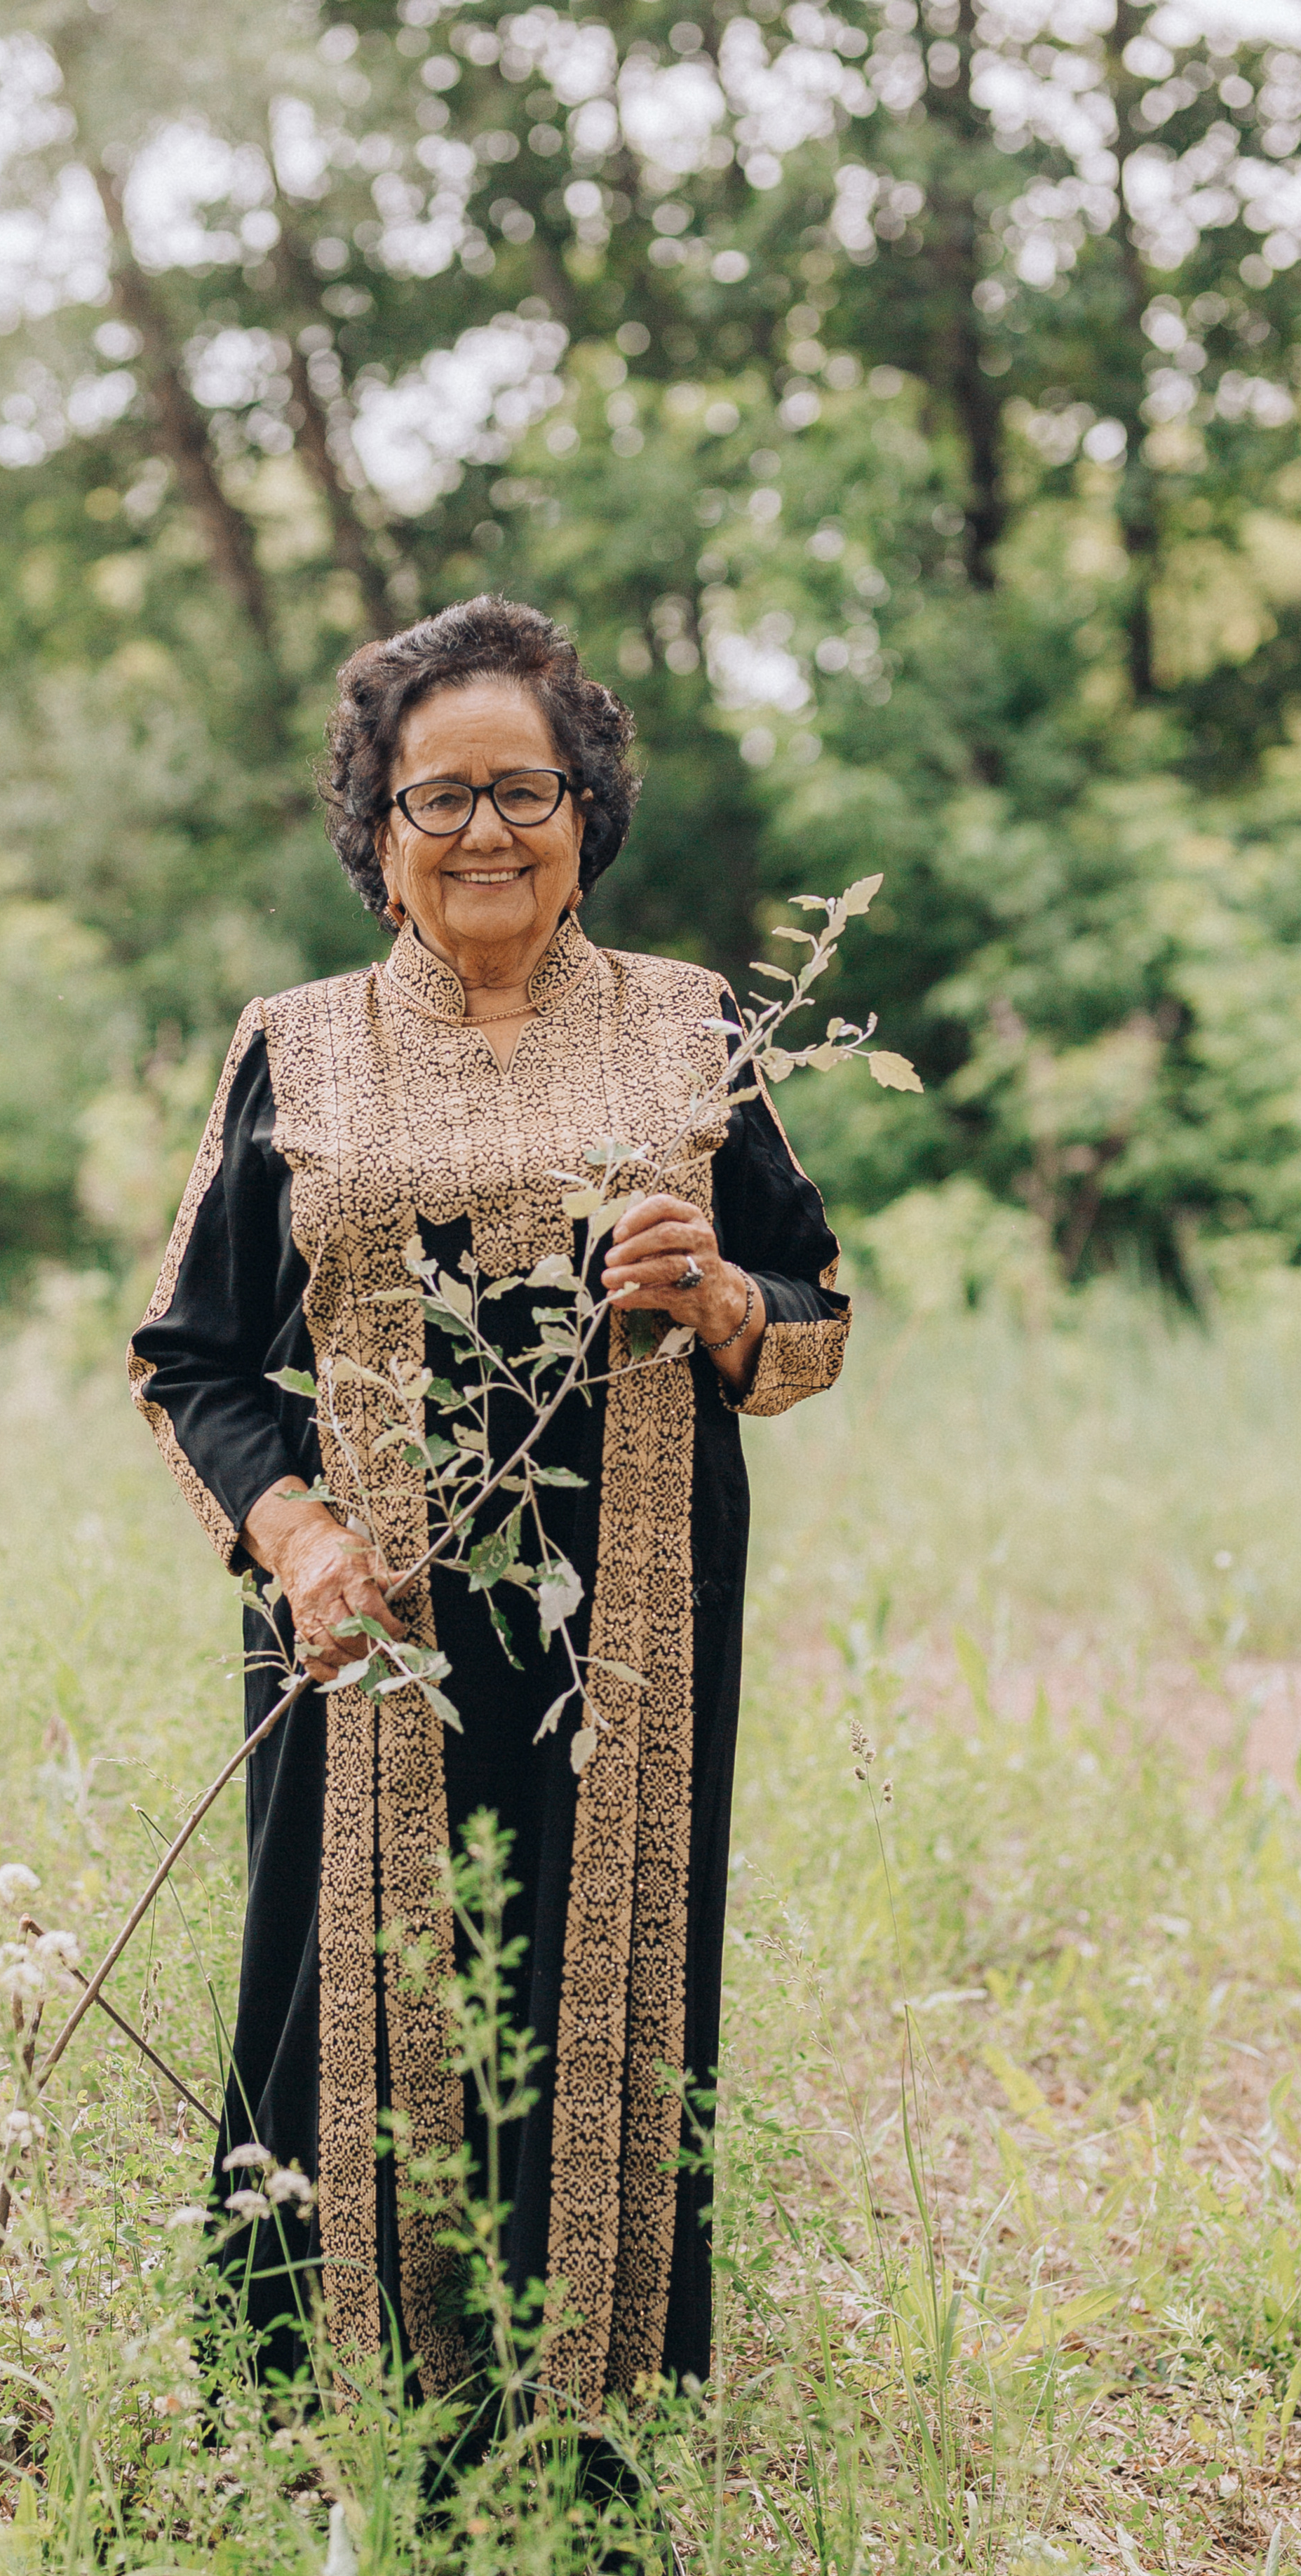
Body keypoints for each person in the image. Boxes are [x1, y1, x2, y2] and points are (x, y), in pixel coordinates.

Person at [128, 594, 849, 2420]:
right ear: (377, 838)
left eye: (521, 788)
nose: (483, 830)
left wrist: (717, 1300)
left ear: (585, 810)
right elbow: (186, 1358)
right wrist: (296, 1542)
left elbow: (818, 1315)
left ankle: (582, 2431)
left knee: (602, 1980)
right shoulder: (295, 1045)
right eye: (434, 797)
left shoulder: (697, 1034)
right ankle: (339, 2436)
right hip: (369, 1631)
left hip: (634, 1624)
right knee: (352, 1986)